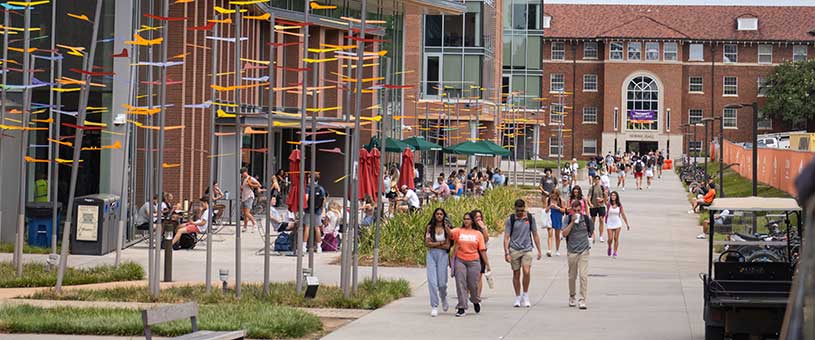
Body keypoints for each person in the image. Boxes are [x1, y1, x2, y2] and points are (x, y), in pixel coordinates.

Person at [503, 199, 542, 308]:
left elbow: (535, 234)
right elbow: (506, 237)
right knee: (516, 273)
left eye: (521, 210)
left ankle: (525, 294)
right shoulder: (511, 219)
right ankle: (517, 296)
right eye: (517, 211)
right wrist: (506, 252)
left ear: (524, 208)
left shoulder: (530, 218)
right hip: (514, 249)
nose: (520, 213)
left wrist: (539, 250)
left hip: (527, 248)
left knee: (526, 271)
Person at [450, 212, 490, 317]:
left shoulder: (477, 234)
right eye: (464, 219)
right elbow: (449, 234)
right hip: (460, 260)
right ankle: (462, 307)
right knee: (460, 284)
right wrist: (444, 225)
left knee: (473, 284)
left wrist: (487, 264)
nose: (466, 221)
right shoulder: (459, 231)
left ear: (472, 221)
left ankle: (475, 300)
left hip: (474, 261)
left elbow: (482, 250)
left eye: (468, 219)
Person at [563, 200, 593, 309]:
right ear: (571, 210)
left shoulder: (586, 219)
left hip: (584, 250)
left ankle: (582, 299)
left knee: (583, 276)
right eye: (574, 210)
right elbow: (564, 233)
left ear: (582, 209)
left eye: (579, 210)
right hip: (572, 251)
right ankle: (572, 296)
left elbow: (591, 232)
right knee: (572, 276)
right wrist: (572, 222)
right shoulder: (567, 219)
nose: (577, 212)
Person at [426, 208, 452, 317]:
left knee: (442, 282)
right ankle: (434, 305)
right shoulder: (430, 228)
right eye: (437, 214)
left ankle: (443, 297)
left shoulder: (447, 228)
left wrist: (435, 243)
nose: (439, 216)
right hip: (432, 254)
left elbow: (448, 245)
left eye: (441, 214)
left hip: (443, 255)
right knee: (432, 282)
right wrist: (441, 243)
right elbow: (427, 243)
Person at [303, 174, 327, 253]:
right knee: (317, 228)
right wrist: (322, 209)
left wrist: (303, 207)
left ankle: (304, 246)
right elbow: (323, 200)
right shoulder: (321, 188)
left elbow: (306, 198)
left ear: (310, 179)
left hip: (308, 210)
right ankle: (319, 247)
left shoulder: (308, 187)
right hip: (317, 211)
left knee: (307, 227)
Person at [471, 210, 490, 297]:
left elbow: (486, 239)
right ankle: (469, 293)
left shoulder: (483, 228)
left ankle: (477, 296)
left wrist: (483, 228)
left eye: (480, 217)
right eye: (476, 217)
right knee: (470, 276)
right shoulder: (469, 227)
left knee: (479, 276)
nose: (479, 219)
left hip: (480, 254)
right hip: (470, 253)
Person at [605, 191, 630, 258]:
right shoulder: (608, 204)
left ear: (616, 197)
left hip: (617, 223)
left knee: (616, 238)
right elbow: (605, 201)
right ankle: (609, 247)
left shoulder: (619, 205)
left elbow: (623, 214)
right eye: (612, 195)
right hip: (610, 223)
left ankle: (615, 252)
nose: (613, 196)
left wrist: (627, 224)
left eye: (614, 195)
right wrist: (605, 194)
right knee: (610, 239)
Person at [239, 167, 261, 232]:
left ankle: (254, 224)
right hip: (244, 197)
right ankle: (245, 226)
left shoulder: (250, 178)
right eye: (242, 173)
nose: (242, 174)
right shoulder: (243, 179)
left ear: (246, 172)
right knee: (245, 213)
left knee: (247, 213)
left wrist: (251, 184)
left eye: (243, 173)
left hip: (249, 197)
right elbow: (243, 188)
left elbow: (259, 185)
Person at [588, 175, 608, 243]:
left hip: (601, 206)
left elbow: (606, 198)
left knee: (601, 220)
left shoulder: (602, 187)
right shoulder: (592, 188)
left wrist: (602, 199)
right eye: (595, 179)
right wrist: (590, 204)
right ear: (593, 180)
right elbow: (588, 197)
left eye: (598, 179)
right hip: (594, 206)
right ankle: (592, 234)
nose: (596, 180)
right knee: (593, 221)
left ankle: (601, 235)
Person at [548, 190, 566, 256]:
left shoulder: (561, 201)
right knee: (550, 234)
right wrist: (549, 206)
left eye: (555, 195)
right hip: (550, 217)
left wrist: (557, 207)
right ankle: (549, 250)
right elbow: (545, 210)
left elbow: (564, 210)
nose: (553, 196)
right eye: (552, 194)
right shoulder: (549, 200)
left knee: (557, 235)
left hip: (558, 217)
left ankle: (557, 249)